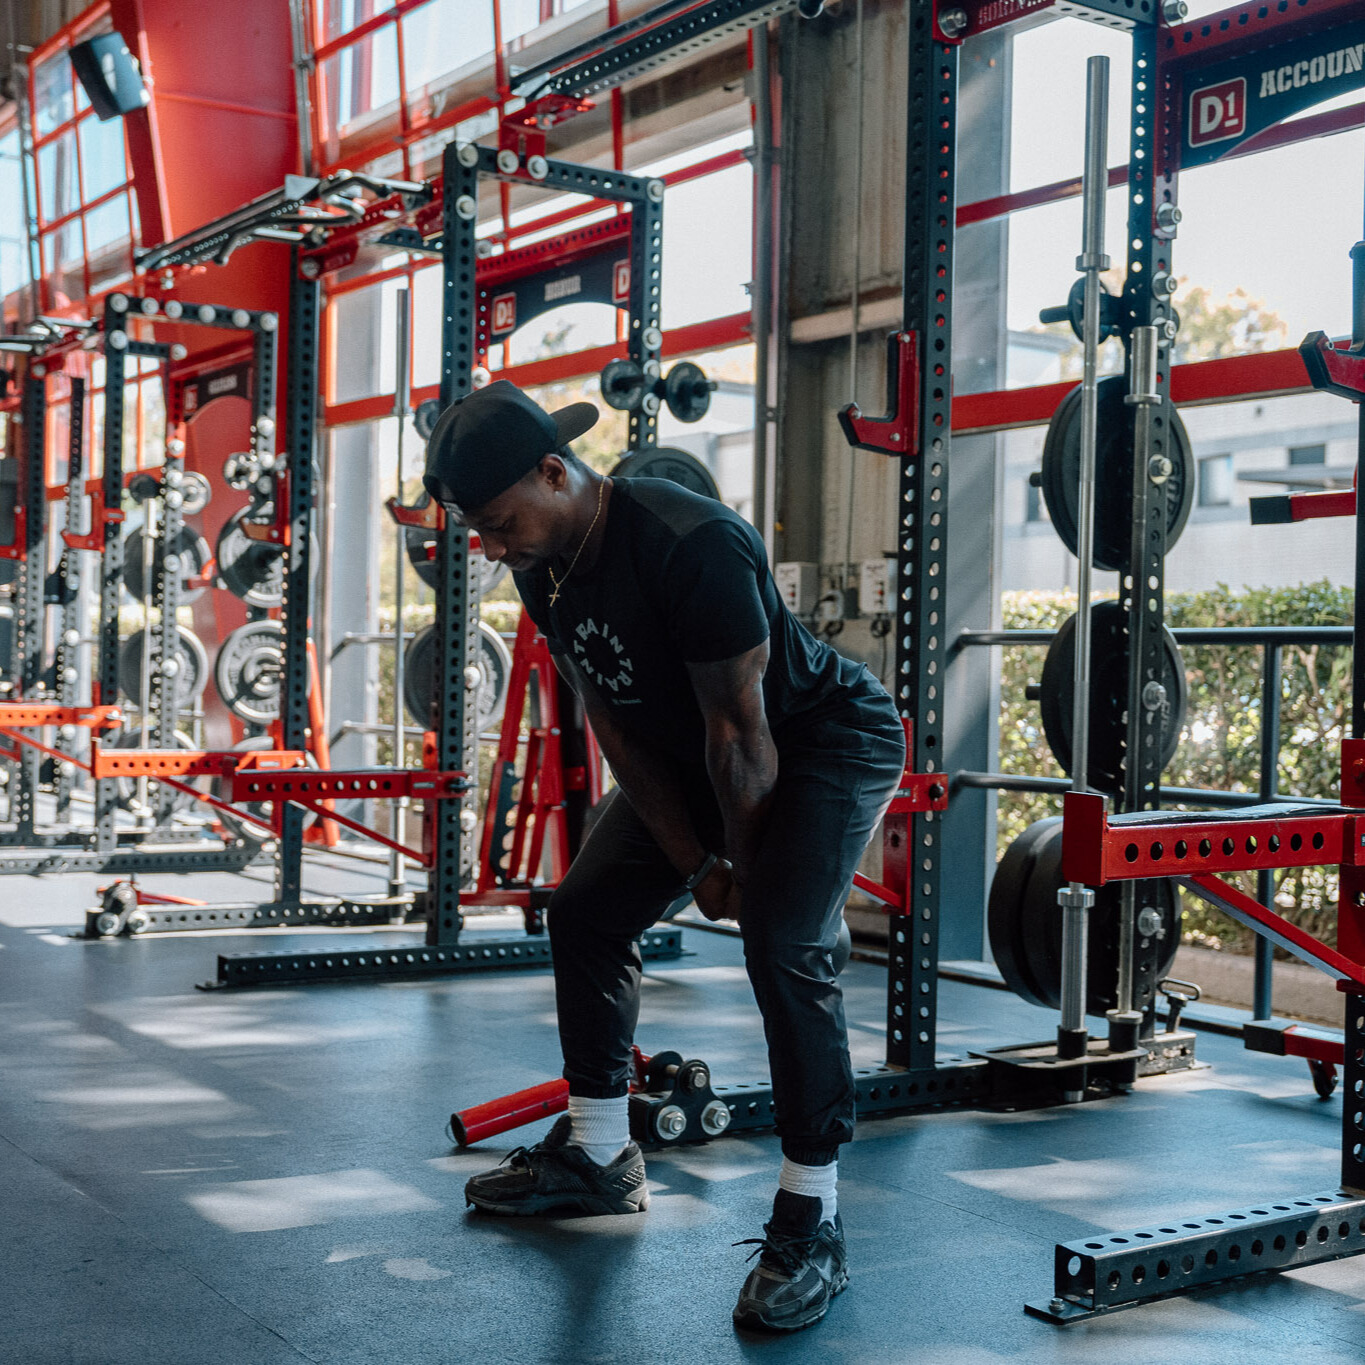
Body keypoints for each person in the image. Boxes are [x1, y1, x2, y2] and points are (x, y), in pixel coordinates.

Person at [424, 380, 905, 1333]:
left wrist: (746, 876)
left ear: (554, 472)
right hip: (694, 753)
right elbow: (613, 716)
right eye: (476, 529)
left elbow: (743, 735)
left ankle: (814, 1215)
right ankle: (599, 1154)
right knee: (586, 910)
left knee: (783, 942)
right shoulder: (543, 561)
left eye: (496, 521)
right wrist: (695, 867)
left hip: (816, 742)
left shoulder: (693, 545)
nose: (489, 544)